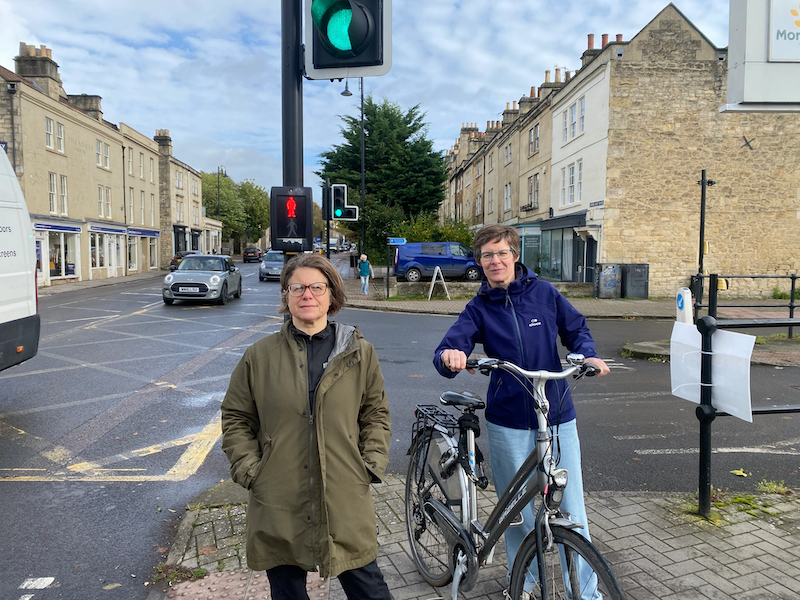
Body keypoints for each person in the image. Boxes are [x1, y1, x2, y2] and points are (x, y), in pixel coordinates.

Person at [432, 224, 609, 597]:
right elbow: (451, 345)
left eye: (501, 253)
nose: (495, 261)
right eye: (487, 255)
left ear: (514, 256)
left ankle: (587, 593)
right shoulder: (479, 307)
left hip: (557, 413)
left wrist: (587, 353)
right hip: (508, 420)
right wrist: (451, 356)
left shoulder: (544, 294)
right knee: (516, 513)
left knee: (572, 509)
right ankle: (522, 583)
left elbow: (576, 328)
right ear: (480, 262)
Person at [221, 253, 392, 600]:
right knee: (287, 593)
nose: (307, 295)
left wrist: (370, 465)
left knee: (370, 591)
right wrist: (251, 471)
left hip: (343, 495)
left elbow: (375, 413)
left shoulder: (360, 352)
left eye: (317, 286)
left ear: (332, 294)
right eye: (297, 287)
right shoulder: (259, 355)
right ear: (286, 295)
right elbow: (236, 417)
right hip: (279, 497)